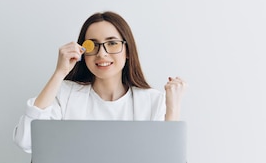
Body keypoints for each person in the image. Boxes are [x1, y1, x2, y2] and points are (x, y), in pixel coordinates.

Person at [13, 11, 187, 153]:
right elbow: (26, 140)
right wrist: (59, 73)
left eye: (112, 43)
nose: (102, 54)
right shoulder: (65, 94)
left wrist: (173, 108)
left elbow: (165, 162)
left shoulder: (152, 101)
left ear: (127, 51)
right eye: (93, 45)